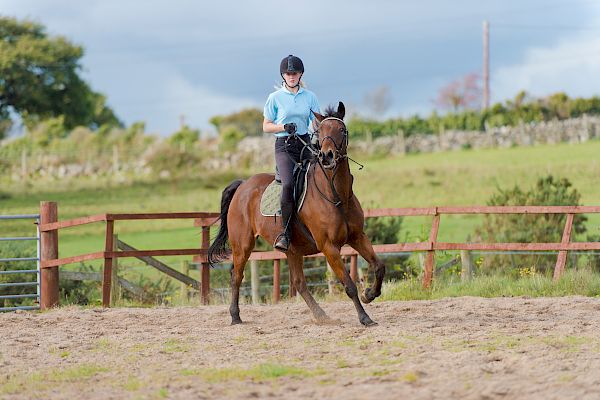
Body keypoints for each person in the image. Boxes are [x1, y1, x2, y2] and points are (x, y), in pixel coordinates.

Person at [263, 55, 320, 251]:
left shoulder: (310, 97)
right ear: (283, 75)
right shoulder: (275, 98)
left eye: (295, 73)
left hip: (304, 143)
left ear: (300, 74)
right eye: (288, 73)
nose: (292, 76)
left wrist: (320, 133)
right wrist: (282, 126)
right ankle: (285, 234)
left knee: (321, 175)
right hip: (284, 145)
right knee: (288, 183)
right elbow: (265, 126)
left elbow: (315, 121)